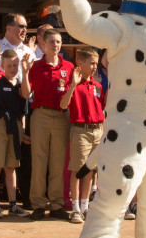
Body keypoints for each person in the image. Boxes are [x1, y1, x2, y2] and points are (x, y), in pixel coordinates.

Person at [23, 29, 74, 220]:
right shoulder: (35, 66)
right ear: (43, 44)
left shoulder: (69, 67)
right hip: (41, 115)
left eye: (59, 42)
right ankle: (38, 204)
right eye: (52, 42)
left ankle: (57, 204)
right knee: (39, 161)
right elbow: (25, 93)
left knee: (58, 162)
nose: (56, 45)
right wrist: (25, 71)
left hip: (61, 116)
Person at [60, 47, 105, 224]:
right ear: (80, 63)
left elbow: (102, 107)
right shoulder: (74, 84)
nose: (94, 67)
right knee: (77, 170)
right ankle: (75, 208)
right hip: (80, 130)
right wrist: (72, 85)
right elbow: (64, 105)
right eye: (91, 63)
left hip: (98, 130)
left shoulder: (98, 86)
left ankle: (85, 206)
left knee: (90, 170)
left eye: (96, 63)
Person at [0, 50, 31, 218]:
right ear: (2, 65)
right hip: (0, 126)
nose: (13, 68)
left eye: (15, 65)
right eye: (9, 65)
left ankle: (13, 204)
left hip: (16, 127)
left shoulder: (21, 84)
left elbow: (26, 99)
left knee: (11, 167)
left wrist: (26, 72)